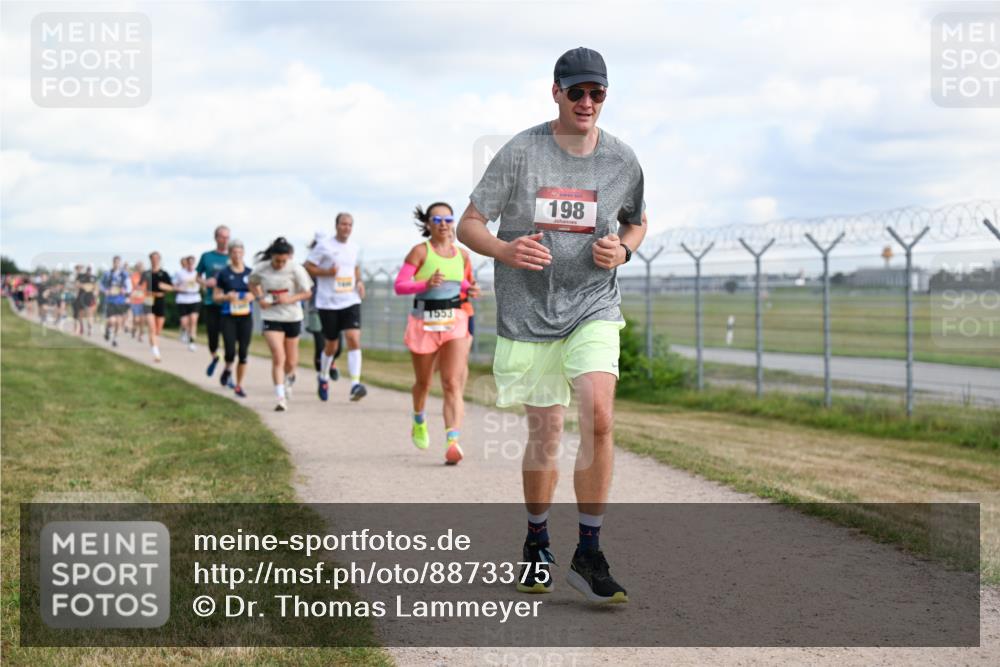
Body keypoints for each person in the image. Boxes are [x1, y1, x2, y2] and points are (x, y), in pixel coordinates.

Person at [457, 48, 646, 604]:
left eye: (598, 93)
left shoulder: (621, 159)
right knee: (545, 433)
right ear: (556, 92)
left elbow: (636, 221)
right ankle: (537, 539)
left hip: (592, 305)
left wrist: (623, 250)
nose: (587, 102)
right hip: (529, 314)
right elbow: (471, 224)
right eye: (577, 92)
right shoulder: (520, 152)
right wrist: (503, 251)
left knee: (600, 416)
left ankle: (589, 550)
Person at [394, 203, 477, 465]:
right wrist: (425, 283)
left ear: (453, 222)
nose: (443, 223)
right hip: (424, 324)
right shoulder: (420, 251)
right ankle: (419, 418)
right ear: (428, 224)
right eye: (437, 219)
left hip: (455, 322)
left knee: (452, 382)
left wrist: (470, 290)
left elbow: (460, 282)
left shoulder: (462, 255)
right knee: (424, 383)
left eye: (447, 218)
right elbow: (400, 286)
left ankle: (452, 441)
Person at [304, 212, 368, 403]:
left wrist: (360, 282)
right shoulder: (324, 246)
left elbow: (355, 267)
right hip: (328, 302)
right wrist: (326, 272)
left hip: (350, 299)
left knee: (353, 338)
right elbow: (308, 266)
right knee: (331, 345)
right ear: (336, 225)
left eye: (349, 225)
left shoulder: (355, 247)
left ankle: (355, 384)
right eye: (343, 224)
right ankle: (323, 376)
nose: (346, 228)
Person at [248, 237, 312, 411]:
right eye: (277, 261)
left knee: (290, 362)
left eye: (284, 261)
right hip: (271, 317)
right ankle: (280, 397)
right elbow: (252, 283)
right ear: (272, 257)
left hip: (292, 317)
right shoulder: (262, 268)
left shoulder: (296, 269)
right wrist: (260, 298)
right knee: (278, 357)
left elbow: (307, 293)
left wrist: (289, 299)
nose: (280, 264)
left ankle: (290, 378)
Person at [213, 240, 254, 398]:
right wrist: (226, 296)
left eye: (239, 252)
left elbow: (258, 292)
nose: (237, 256)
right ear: (230, 254)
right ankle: (227, 369)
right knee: (230, 351)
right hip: (228, 316)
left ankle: (239, 385)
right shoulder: (223, 274)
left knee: (243, 352)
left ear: (243, 253)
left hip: (245, 316)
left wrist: (252, 295)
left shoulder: (250, 273)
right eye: (234, 253)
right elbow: (216, 297)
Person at [196, 226, 231, 377]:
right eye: (222, 237)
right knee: (213, 336)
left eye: (227, 237)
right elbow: (197, 276)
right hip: (211, 302)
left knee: (229, 337)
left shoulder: (233, 256)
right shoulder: (207, 256)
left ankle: (228, 369)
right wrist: (204, 282)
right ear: (216, 238)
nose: (225, 240)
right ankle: (215, 357)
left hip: (228, 303)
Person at [143, 251, 174, 362]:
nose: (155, 260)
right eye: (153, 258)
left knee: (158, 330)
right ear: (150, 259)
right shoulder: (146, 273)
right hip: (149, 300)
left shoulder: (164, 274)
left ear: (159, 259)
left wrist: (163, 286)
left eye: (157, 258)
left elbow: (171, 287)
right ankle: (156, 352)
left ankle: (155, 345)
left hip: (160, 300)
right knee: (152, 328)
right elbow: (139, 286)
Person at [100, 256, 132, 347]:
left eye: (118, 262)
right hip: (110, 300)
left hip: (120, 300)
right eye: (115, 262)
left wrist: (125, 291)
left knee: (119, 321)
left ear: (120, 263)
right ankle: (108, 329)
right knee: (111, 320)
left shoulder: (124, 274)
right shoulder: (108, 273)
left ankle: (115, 339)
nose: (116, 264)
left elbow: (129, 287)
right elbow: (101, 285)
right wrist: (105, 290)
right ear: (113, 262)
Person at [174, 255, 201, 351]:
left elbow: (202, 282)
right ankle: (184, 331)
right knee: (184, 322)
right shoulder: (180, 273)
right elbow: (174, 285)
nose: (190, 265)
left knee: (193, 320)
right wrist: (180, 288)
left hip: (195, 298)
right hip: (183, 298)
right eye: (189, 263)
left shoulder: (198, 273)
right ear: (186, 263)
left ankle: (192, 342)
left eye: (192, 263)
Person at [74, 265, 98, 336]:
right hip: (81, 297)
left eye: (90, 270)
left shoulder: (94, 278)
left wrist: (95, 293)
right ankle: (81, 328)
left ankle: (90, 328)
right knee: (80, 314)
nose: (89, 272)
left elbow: (96, 287)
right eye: (88, 270)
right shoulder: (81, 276)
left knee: (89, 313)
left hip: (89, 297)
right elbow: (77, 284)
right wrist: (83, 286)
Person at [129, 261, 147, 342]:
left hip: (145, 300)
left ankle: (141, 335)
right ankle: (134, 329)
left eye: (141, 266)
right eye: (138, 267)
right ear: (136, 268)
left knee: (143, 319)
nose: (140, 268)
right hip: (135, 300)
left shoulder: (147, 276)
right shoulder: (133, 276)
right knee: (136, 319)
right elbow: (133, 286)